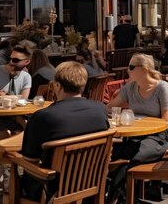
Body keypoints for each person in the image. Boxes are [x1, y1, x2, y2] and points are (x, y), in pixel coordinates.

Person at [19, 61, 109, 201]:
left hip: (53, 188)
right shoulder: (100, 109)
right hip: (90, 182)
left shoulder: (43, 117)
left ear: (57, 85)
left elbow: (30, 160)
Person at [107, 54, 168, 164]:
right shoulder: (129, 88)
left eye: (131, 67)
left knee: (135, 156)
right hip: (135, 135)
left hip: (159, 135)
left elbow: (166, 119)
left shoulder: (161, 87)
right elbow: (110, 107)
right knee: (113, 153)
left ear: (144, 69)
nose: (127, 70)